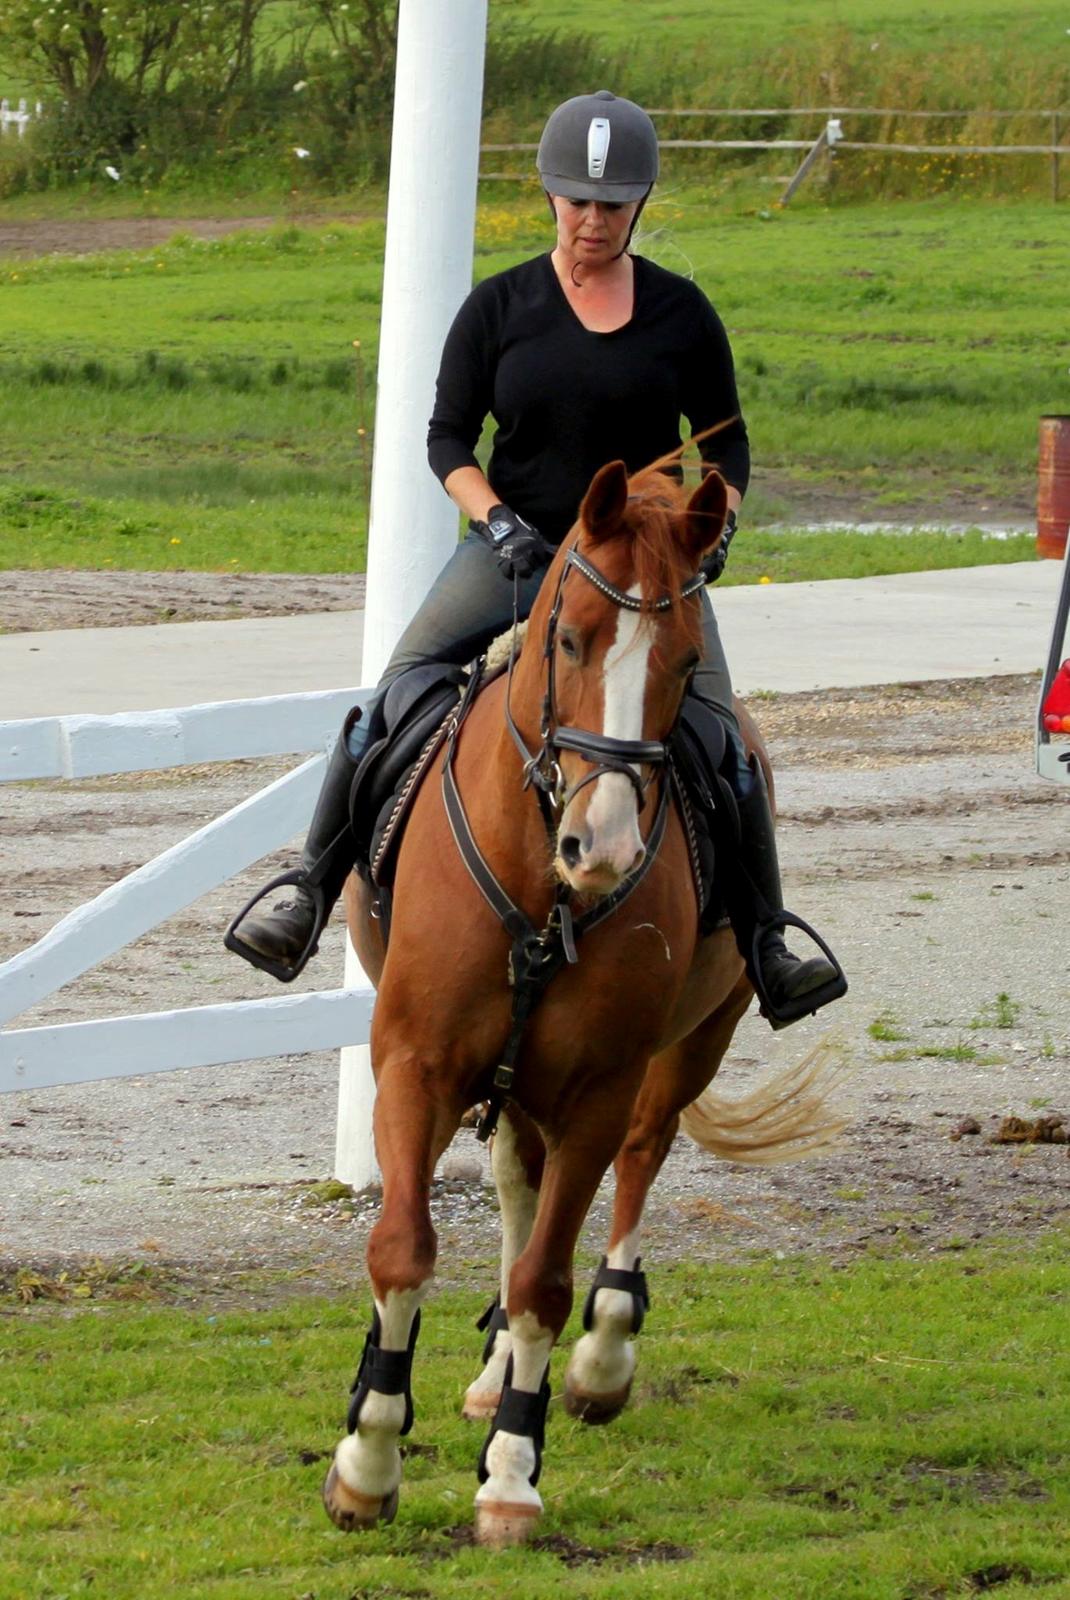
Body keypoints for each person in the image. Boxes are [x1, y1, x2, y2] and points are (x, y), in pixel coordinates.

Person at [226, 90, 842, 1025]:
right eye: (576, 202)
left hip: (643, 571)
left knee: (725, 739)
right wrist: (497, 518)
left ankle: (764, 937)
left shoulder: (682, 313)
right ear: (549, 196)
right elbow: (445, 438)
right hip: (517, 551)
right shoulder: (499, 305)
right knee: (389, 699)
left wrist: (708, 536)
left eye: (612, 205)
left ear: (641, 204)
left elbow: (730, 448)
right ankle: (308, 888)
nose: (592, 222)